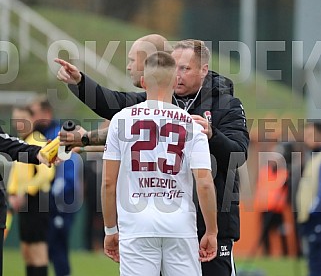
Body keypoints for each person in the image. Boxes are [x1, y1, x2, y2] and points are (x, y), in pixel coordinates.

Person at [56, 37, 249, 276]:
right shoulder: (159, 99)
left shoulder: (227, 104)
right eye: (174, 67)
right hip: (171, 221)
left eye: (185, 69)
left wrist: (212, 134)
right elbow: (114, 104)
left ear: (204, 70)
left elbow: (238, 155)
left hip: (211, 219)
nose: (176, 75)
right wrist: (80, 83)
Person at [101, 51, 218, 275]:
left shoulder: (120, 120)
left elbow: (108, 182)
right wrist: (211, 230)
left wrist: (110, 229)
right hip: (180, 225)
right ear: (175, 81)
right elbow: (204, 184)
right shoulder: (192, 124)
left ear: (143, 82)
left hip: (136, 224)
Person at [29, 96, 82, 276]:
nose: (31, 117)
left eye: (33, 113)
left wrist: (59, 191)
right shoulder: (40, 136)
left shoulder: (57, 135)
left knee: (57, 246)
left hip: (61, 201)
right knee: (48, 247)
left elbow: (69, 166)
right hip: (48, 199)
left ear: (46, 113)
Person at [7, 106, 55, 276]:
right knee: (26, 250)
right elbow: (16, 174)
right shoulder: (20, 143)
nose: (19, 124)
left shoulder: (38, 141)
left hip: (37, 200)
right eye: (16, 120)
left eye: (22, 119)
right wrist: (13, 194)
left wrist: (25, 192)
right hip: (23, 202)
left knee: (38, 250)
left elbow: (47, 173)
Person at [296, 122, 321, 276]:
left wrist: (314, 218)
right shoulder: (314, 158)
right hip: (310, 220)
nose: (307, 139)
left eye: (311, 135)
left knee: (316, 265)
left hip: (316, 221)